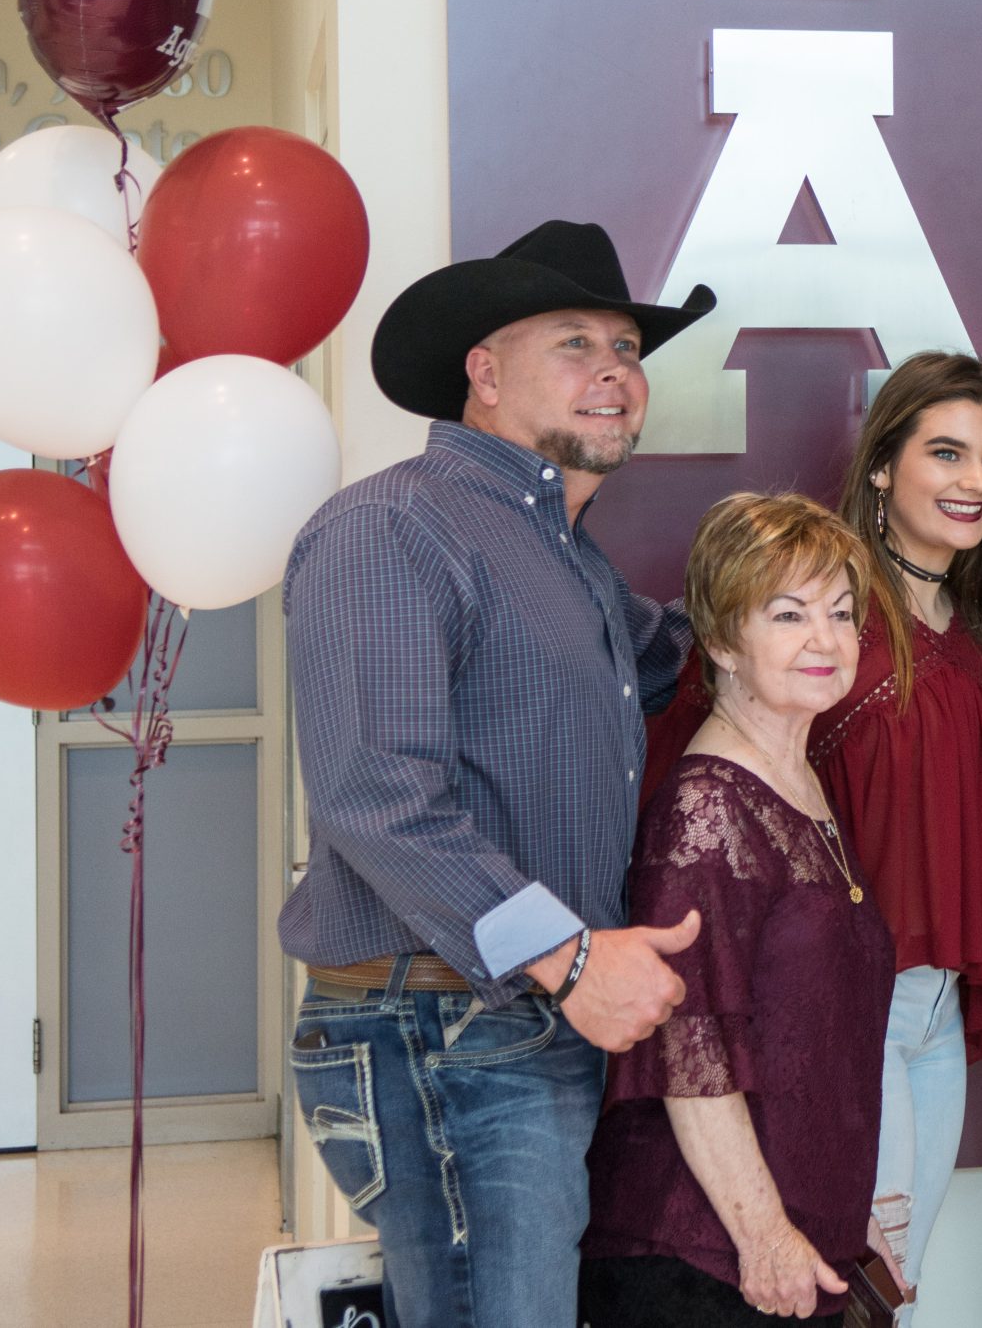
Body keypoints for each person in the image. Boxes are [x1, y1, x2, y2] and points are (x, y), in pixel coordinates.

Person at [278, 220, 718, 1328]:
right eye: (574, 344)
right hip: (436, 1024)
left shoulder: (563, 549)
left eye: (626, 349)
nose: (614, 373)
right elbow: (378, 797)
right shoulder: (391, 527)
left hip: (520, 1021)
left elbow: (675, 664)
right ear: (483, 371)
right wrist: (571, 960)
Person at [582, 493, 901, 1324]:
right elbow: (691, 1051)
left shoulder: (801, 782)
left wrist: (838, 1216)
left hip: (792, 1243)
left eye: (840, 612)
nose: (825, 639)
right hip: (698, 1259)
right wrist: (765, 1233)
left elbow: (809, 1041)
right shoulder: (708, 809)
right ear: (721, 639)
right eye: (789, 614)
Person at [812, 352, 982, 1313]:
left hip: (935, 1017)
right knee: (857, 1293)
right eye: (945, 452)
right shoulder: (826, 608)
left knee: (890, 1294)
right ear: (881, 466)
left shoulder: (969, 620)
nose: (974, 482)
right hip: (856, 1010)